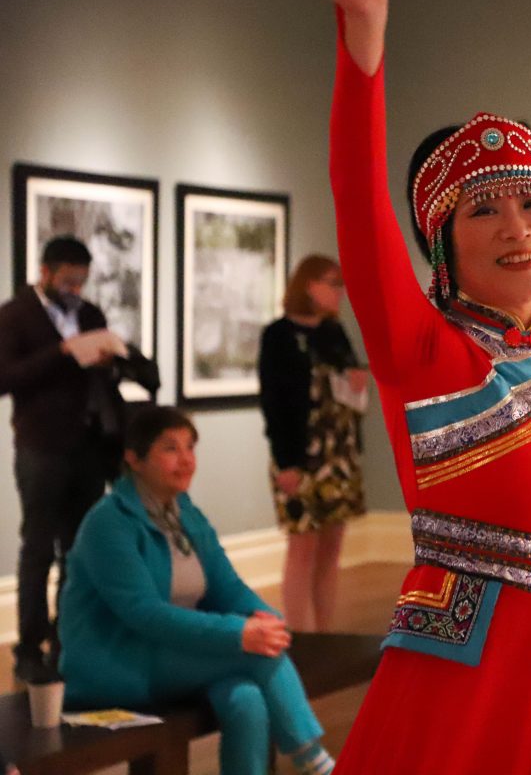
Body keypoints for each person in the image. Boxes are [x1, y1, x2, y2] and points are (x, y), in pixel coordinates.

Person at [311, 0, 531, 771]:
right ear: (442, 243)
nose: (516, 227)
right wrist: (364, 39)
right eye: (482, 209)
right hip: (469, 682)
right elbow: (357, 199)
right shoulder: (424, 355)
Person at [57, 406, 335, 775]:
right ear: (134, 459)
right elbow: (145, 614)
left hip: (170, 651)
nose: (187, 460)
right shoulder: (108, 524)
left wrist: (267, 619)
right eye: (170, 448)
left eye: (190, 447)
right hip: (117, 664)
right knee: (257, 656)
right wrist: (239, 634)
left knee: (246, 698)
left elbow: (227, 586)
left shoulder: (184, 512)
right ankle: (314, 760)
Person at [0, 235, 157, 683]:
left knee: (80, 549)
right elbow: (5, 377)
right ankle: (28, 645)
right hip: (41, 447)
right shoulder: (15, 316)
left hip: (91, 445)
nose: (75, 290)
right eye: (68, 280)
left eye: (81, 282)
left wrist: (109, 359)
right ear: (45, 273)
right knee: (37, 547)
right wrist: (62, 352)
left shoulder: (90, 315)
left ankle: (69, 638)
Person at [258, 254, 367, 632]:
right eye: (332, 283)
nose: (340, 292)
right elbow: (274, 402)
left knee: (331, 548)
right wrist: (286, 462)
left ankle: (325, 632)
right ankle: (300, 636)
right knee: (303, 547)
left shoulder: (334, 333)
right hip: (300, 454)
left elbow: (351, 384)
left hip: (338, 456)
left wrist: (357, 380)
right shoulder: (278, 336)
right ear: (308, 286)